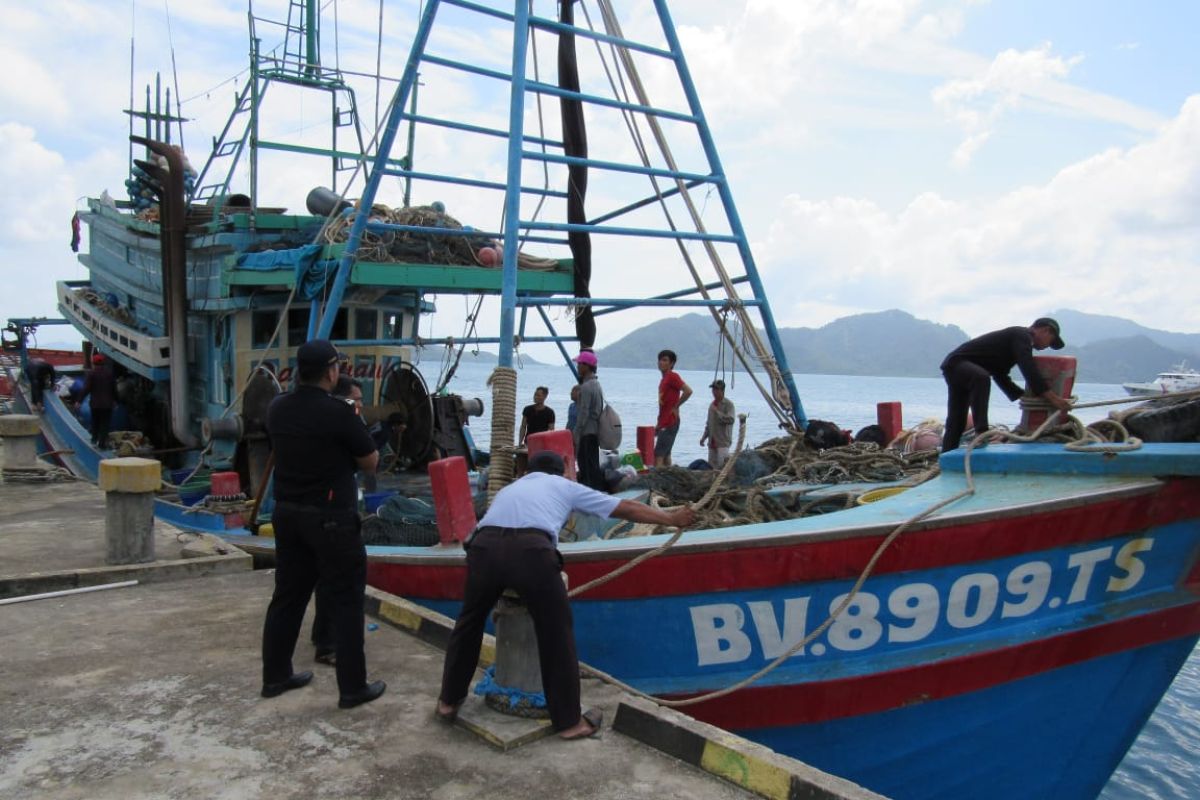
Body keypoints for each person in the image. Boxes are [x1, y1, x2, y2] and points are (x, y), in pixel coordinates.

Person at [435, 450, 696, 739]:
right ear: (561, 472)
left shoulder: (511, 487)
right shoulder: (565, 486)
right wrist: (672, 518)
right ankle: (569, 722)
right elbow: (625, 508)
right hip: (530, 551)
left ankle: (448, 701)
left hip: (483, 548)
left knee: (468, 624)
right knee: (556, 632)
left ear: (527, 471)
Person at [261, 339, 386, 709]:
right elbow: (370, 461)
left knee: (287, 596)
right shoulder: (339, 412)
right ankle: (352, 688)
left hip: (287, 513)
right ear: (332, 372)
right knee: (346, 600)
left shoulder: (277, 407)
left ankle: (275, 676)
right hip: (331, 518)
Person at [307, 375, 370, 667]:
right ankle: (331, 647)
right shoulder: (344, 420)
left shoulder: (292, 412)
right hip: (334, 515)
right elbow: (370, 461)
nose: (361, 406)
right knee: (343, 583)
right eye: (357, 401)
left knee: (318, 580)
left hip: (304, 511)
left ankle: (321, 635)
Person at [940, 317, 1073, 451]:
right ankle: (981, 432)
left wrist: (1024, 396)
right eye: (1051, 341)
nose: (1047, 346)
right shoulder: (1022, 335)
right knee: (981, 378)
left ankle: (946, 455)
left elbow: (1000, 374)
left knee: (957, 419)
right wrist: (1053, 398)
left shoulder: (1015, 343)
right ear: (1046, 331)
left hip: (954, 367)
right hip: (958, 364)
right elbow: (1028, 368)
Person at [572, 352, 605, 491]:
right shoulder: (596, 384)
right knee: (593, 465)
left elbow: (583, 413)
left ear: (587, 366)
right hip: (595, 430)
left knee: (586, 467)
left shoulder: (586, 387)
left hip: (586, 431)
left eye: (580, 364)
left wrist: (576, 433)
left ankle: (590, 494)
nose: (578, 366)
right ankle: (599, 491)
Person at [654, 349, 692, 467]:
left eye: (665, 360)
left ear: (671, 364)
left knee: (658, 454)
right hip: (664, 421)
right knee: (666, 454)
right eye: (660, 360)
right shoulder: (664, 380)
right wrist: (658, 424)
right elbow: (663, 405)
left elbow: (688, 391)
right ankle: (667, 480)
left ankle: (658, 482)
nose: (661, 362)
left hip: (670, 421)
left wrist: (677, 406)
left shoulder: (672, 376)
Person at [77, 353, 116, 448]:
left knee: (95, 422)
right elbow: (114, 390)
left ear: (93, 363)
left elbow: (86, 389)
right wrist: (116, 401)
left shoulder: (91, 374)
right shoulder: (110, 374)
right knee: (105, 424)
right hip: (107, 404)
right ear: (104, 363)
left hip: (95, 404)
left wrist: (79, 401)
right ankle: (102, 443)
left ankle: (94, 439)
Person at [699, 379, 735, 468]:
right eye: (713, 390)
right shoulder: (712, 405)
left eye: (716, 390)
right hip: (712, 442)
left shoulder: (728, 404)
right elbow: (709, 424)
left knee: (722, 467)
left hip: (723, 442)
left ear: (722, 391)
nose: (714, 392)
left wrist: (718, 412)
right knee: (711, 468)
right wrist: (704, 437)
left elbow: (731, 419)